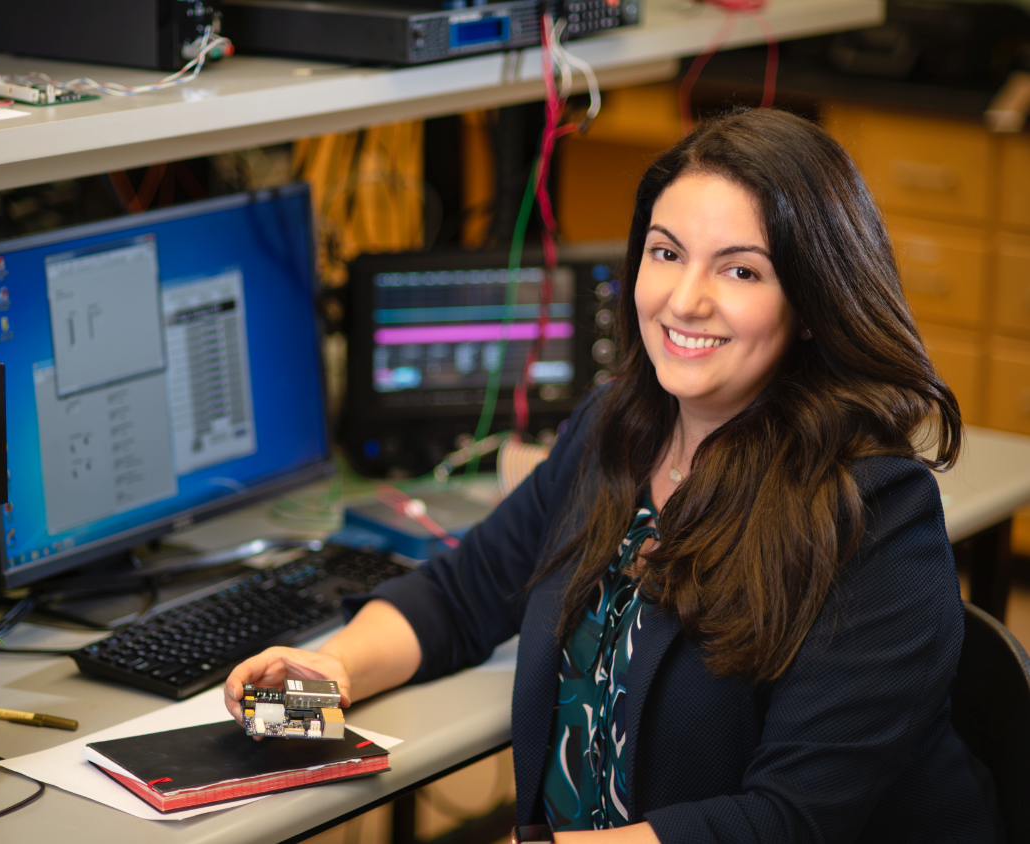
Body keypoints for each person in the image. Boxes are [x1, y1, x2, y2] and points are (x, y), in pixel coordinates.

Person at [224, 108, 1003, 843]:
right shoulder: (616, 431)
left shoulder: (874, 512)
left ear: (809, 300)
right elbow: (462, 596)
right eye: (665, 254)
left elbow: (786, 821)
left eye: (739, 272)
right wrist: (331, 668)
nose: (683, 300)